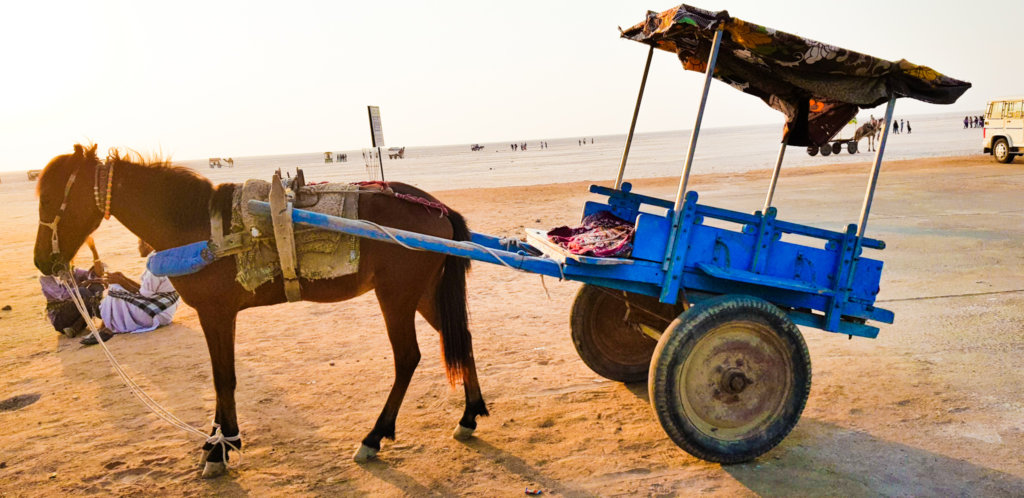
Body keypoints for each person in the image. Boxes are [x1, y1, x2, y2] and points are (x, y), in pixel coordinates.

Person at [81, 239, 180, 346]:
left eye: (139, 244)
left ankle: (106, 329)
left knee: (115, 287)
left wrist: (122, 281)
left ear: (147, 244)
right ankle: (105, 328)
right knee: (116, 285)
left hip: (157, 314)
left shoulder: (156, 265)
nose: (138, 248)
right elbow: (146, 289)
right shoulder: (162, 258)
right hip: (165, 308)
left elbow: (145, 294)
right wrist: (123, 278)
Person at [39, 239, 105, 337]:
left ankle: (76, 327)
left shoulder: (73, 271)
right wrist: (84, 284)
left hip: (78, 315)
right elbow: (62, 295)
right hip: (61, 318)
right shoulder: (46, 277)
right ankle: (106, 318)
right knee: (84, 293)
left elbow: (97, 274)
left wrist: (93, 250)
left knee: (97, 287)